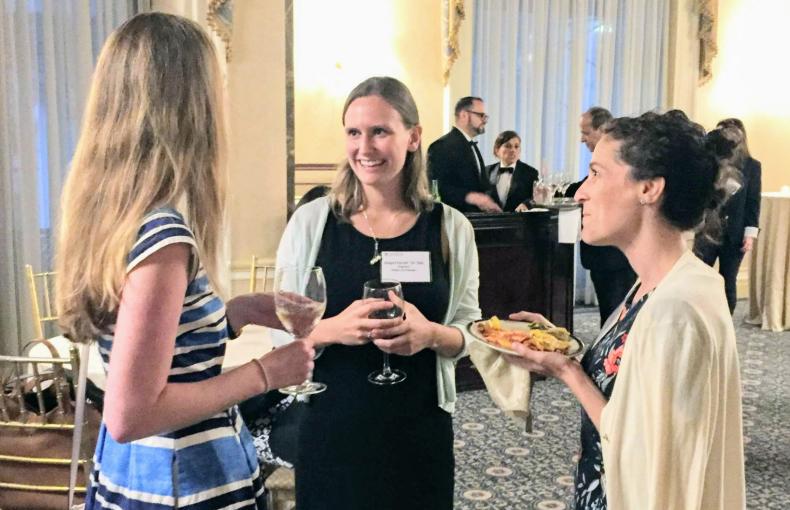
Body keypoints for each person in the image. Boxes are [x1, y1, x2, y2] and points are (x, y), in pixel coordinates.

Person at [54, 13, 314, 508]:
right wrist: (267, 372)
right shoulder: (164, 235)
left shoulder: (111, 216)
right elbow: (132, 413)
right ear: (190, 106)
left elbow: (158, 353)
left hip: (140, 472)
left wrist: (235, 312)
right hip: (181, 481)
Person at [505, 112, 745, 509]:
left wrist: (567, 372)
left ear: (648, 188)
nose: (580, 192)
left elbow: (647, 451)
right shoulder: (661, 282)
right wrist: (562, 347)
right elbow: (638, 388)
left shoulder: (674, 308)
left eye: (596, 174)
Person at [275, 76, 481, 509]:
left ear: (413, 137)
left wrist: (431, 336)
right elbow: (280, 334)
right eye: (354, 132)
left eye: (380, 131)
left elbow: (470, 331)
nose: (364, 148)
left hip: (418, 430)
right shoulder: (312, 224)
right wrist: (333, 328)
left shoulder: (450, 228)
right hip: (331, 430)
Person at [566, 106, 637, 325]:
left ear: (603, 129)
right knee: (609, 314)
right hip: (603, 255)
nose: (582, 140)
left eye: (586, 132)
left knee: (618, 316)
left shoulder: (620, 160)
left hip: (615, 254)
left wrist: (568, 192)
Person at [694, 118, 762, 314]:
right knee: (699, 276)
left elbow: (753, 202)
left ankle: (725, 326)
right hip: (707, 230)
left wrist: (750, 234)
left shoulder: (752, 166)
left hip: (735, 233)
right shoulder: (709, 161)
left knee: (728, 280)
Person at [427, 96, 502, 213]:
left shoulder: (473, 146)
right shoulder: (441, 146)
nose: (485, 120)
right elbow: (435, 187)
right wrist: (470, 197)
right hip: (454, 222)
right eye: (481, 115)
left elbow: (482, 186)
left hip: (477, 223)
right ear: (464, 115)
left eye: (485, 116)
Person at [485, 130, 539, 212]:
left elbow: (536, 198)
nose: (513, 150)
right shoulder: (486, 171)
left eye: (516, 146)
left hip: (519, 221)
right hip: (491, 222)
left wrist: (526, 204)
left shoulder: (530, 172)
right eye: (508, 146)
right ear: (497, 150)